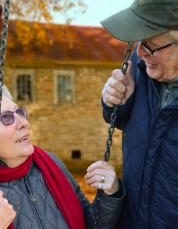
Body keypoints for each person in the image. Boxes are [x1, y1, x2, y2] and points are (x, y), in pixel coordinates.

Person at [101, 0, 178, 228]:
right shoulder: (141, 66)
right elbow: (137, 127)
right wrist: (116, 102)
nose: (141, 53)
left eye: (151, 45)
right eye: (138, 43)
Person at [0, 85, 125, 229]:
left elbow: (90, 224)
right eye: (6, 117)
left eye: (19, 112)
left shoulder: (50, 164)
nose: (23, 123)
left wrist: (110, 195)